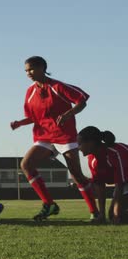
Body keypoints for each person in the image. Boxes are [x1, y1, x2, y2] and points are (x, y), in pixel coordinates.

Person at [11, 56, 97, 221]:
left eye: (31, 69)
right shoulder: (30, 92)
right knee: (26, 164)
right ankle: (49, 204)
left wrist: (68, 114)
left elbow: (82, 99)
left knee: (76, 174)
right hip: (44, 136)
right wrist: (20, 123)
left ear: (42, 68)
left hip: (65, 135)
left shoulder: (57, 86)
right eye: (26, 70)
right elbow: (32, 117)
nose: (28, 73)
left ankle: (95, 213)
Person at [78, 126, 128, 224]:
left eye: (80, 143)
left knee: (118, 215)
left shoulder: (115, 153)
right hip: (125, 184)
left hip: (124, 183)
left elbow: (120, 184)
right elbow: (99, 185)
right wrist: (102, 214)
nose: (78, 147)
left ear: (91, 143)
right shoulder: (91, 159)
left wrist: (117, 213)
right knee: (111, 215)